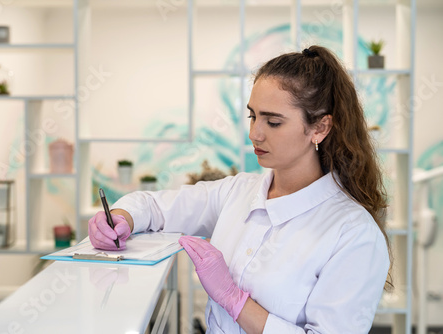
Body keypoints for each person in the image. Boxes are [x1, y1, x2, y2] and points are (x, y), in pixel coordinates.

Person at [88, 45, 391, 333]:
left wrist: (234, 299)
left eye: (273, 122)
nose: (254, 134)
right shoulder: (238, 191)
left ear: (320, 128)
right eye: (253, 115)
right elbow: (154, 207)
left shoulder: (353, 234)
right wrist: (121, 217)